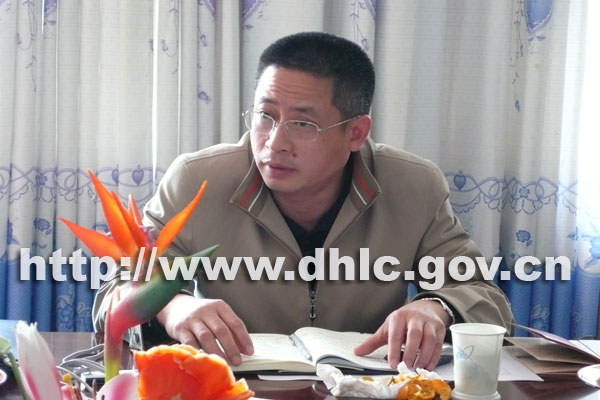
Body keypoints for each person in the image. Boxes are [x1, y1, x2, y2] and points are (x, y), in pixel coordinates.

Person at [93, 31, 513, 371]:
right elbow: (116, 291)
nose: (275, 142)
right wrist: (172, 304)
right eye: (265, 115)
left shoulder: (413, 185)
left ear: (355, 133)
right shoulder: (197, 180)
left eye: (303, 124)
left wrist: (436, 307)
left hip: (363, 386)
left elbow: (484, 296)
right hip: (237, 385)